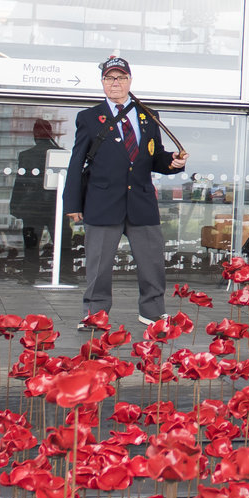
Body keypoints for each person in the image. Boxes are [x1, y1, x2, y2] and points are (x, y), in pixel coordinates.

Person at [62, 56, 185, 326]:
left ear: (130, 80)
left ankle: (152, 311)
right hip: (103, 202)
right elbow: (76, 161)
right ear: (103, 82)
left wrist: (172, 162)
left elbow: (155, 157)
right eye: (109, 78)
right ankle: (95, 313)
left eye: (120, 77)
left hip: (141, 201)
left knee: (152, 262)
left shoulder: (148, 115)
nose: (115, 83)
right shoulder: (89, 117)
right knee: (98, 265)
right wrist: (72, 204)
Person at [11, 119, 60, 281]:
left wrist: (15, 205)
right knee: (61, 244)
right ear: (50, 133)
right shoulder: (61, 153)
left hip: (33, 206)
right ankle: (64, 275)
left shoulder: (26, 155)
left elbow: (20, 183)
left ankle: (30, 275)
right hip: (54, 206)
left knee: (31, 244)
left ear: (35, 134)